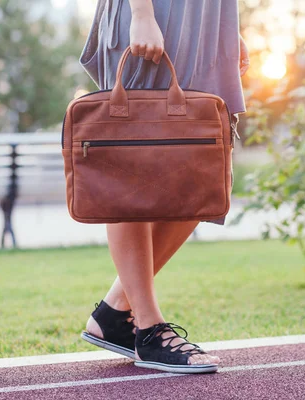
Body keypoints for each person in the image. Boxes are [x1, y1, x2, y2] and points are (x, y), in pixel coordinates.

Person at [77, 0, 248, 374]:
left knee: (206, 177)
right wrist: (141, 14)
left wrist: (227, 29)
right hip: (156, 14)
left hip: (206, 22)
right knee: (132, 169)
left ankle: (114, 312)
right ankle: (149, 327)